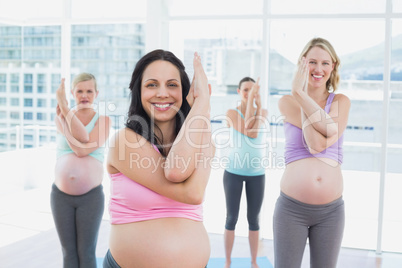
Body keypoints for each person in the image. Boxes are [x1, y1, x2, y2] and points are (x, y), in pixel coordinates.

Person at [103, 50, 215, 268]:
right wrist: (203, 105)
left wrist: (200, 111)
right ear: (138, 91)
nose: (162, 93)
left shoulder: (201, 135)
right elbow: (189, 190)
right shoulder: (124, 142)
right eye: (152, 84)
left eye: (172, 84)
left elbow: (180, 170)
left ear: (185, 91)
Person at [273, 37, 351, 268]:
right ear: (301, 64)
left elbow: (320, 141)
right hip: (291, 210)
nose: (319, 69)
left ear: (333, 66)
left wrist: (301, 94)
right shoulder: (287, 101)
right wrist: (299, 94)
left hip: (331, 212)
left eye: (325, 63)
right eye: (312, 62)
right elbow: (316, 143)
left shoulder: (341, 101)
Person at [51, 73, 111, 267]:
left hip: (90, 198)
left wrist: (65, 109)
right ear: (72, 93)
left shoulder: (104, 121)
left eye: (89, 91)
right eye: (79, 91)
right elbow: (77, 138)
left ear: (97, 93)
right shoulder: (60, 117)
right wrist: (66, 114)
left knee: (86, 252)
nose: (84, 95)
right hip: (60, 196)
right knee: (68, 253)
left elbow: (82, 144)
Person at [223, 77, 268, 268]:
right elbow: (249, 130)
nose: (249, 93)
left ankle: (254, 261)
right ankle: (227, 261)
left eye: (253, 90)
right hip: (233, 171)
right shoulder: (231, 113)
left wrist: (257, 103)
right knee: (231, 217)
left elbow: (255, 131)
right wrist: (251, 102)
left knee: (254, 219)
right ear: (239, 92)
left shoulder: (263, 112)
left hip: (257, 174)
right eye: (245, 90)